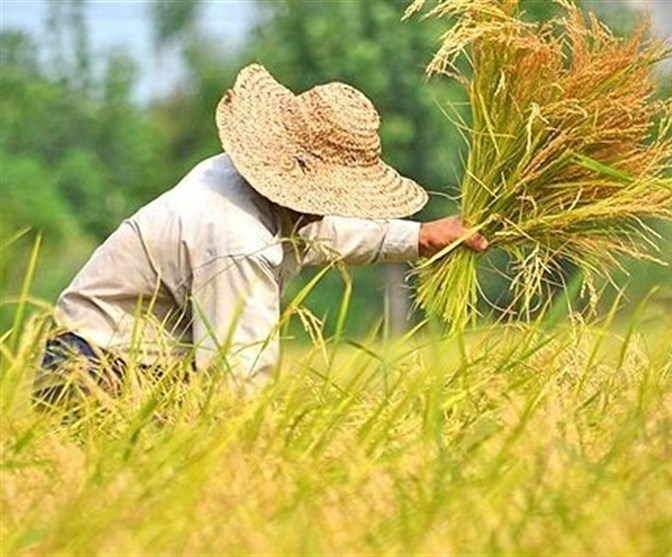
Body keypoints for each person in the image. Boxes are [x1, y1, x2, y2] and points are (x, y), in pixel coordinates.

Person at [35, 64, 488, 401]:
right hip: (96, 373)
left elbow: (321, 233)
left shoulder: (236, 177)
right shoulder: (237, 240)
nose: (330, 208)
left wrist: (420, 236)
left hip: (135, 365)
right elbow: (239, 382)